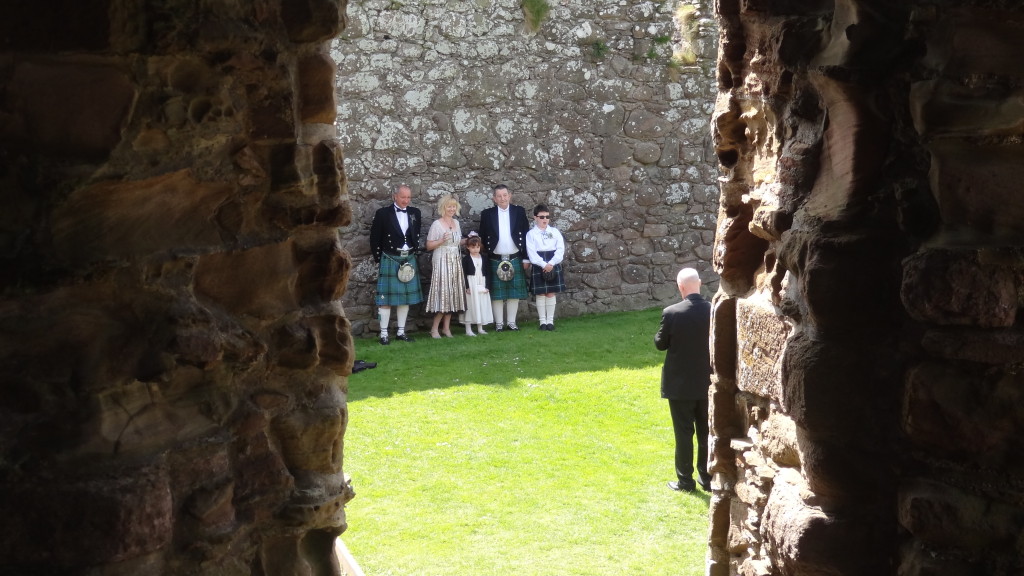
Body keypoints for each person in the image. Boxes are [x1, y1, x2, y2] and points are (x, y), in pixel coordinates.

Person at [655, 268, 712, 493]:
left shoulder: (672, 313)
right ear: (700, 283)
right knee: (706, 433)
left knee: (684, 434)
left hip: (680, 385)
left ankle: (685, 482)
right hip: (707, 382)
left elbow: (660, 343)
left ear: (680, 287)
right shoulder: (712, 309)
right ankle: (707, 478)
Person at [369, 184, 423, 345]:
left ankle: (401, 332)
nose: (406, 200)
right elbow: (374, 238)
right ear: (395, 196)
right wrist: (380, 259)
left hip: (408, 258)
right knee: (385, 300)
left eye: (408, 197)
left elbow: (416, 234)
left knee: (405, 298)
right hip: (390, 257)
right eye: (403, 197)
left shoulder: (415, 213)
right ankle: (384, 334)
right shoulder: (383, 214)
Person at [478, 184, 530, 331]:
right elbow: (482, 235)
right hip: (495, 257)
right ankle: (499, 323)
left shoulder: (519, 211)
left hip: (515, 257)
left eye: (505, 195)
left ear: (510, 195)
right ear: (494, 199)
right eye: (499, 196)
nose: (502, 198)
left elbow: (526, 236)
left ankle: (511, 322)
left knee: (514, 292)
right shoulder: (487, 214)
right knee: (497, 293)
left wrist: (526, 258)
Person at [424, 195, 466, 338]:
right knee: (444, 295)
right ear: (443, 208)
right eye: (449, 206)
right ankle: (434, 328)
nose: (452, 209)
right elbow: (429, 245)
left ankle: (446, 329)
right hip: (442, 261)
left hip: (455, 261)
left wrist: (469, 240)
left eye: (454, 206)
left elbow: (457, 242)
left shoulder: (456, 223)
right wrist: (441, 240)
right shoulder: (437, 224)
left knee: (453, 294)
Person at [526, 204, 566, 331]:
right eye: (542, 217)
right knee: (541, 293)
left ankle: (550, 322)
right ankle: (542, 322)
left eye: (547, 217)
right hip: (539, 263)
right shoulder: (531, 234)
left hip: (552, 262)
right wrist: (544, 264)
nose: (545, 219)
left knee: (550, 293)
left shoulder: (555, 232)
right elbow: (531, 253)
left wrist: (552, 263)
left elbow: (560, 250)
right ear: (535, 218)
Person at [460, 232, 493, 336]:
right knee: (471, 305)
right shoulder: (466, 259)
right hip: (471, 283)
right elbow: (463, 274)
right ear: (468, 247)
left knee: (481, 305)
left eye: (478, 247)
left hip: (481, 282)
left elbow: (488, 272)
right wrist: (467, 287)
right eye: (473, 247)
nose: (476, 249)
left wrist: (488, 286)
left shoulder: (484, 258)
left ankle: (480, 328)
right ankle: (468, 329)